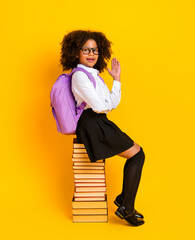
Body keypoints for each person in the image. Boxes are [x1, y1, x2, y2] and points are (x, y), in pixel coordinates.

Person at [60, 30, 145, 226]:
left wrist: (116, 79)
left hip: (99, 121)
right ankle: (126, 206)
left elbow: (111, 103)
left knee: (138, 154)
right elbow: (100, 106)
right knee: (137, 154)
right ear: (76, 53)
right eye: (86, 49)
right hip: (92, 124)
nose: (92, 54)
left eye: (95, 50)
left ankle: (125, 202)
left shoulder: (94, 75)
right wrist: (104, 103)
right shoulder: (79, 76)